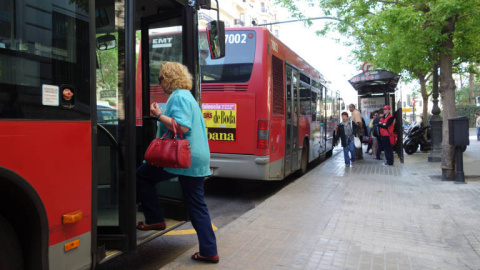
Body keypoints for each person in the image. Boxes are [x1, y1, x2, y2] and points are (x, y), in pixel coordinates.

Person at [136, 62, 219, 263]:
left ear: (169, 78)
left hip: (183, 157)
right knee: (196, 203)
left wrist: (158, 115)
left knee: (141, 176)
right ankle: (157, 220)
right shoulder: (185, 95)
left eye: (160, 78)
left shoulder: (180, 96)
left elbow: (181, 127)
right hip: (188, 157)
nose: (159, 83)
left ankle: (157, 220)